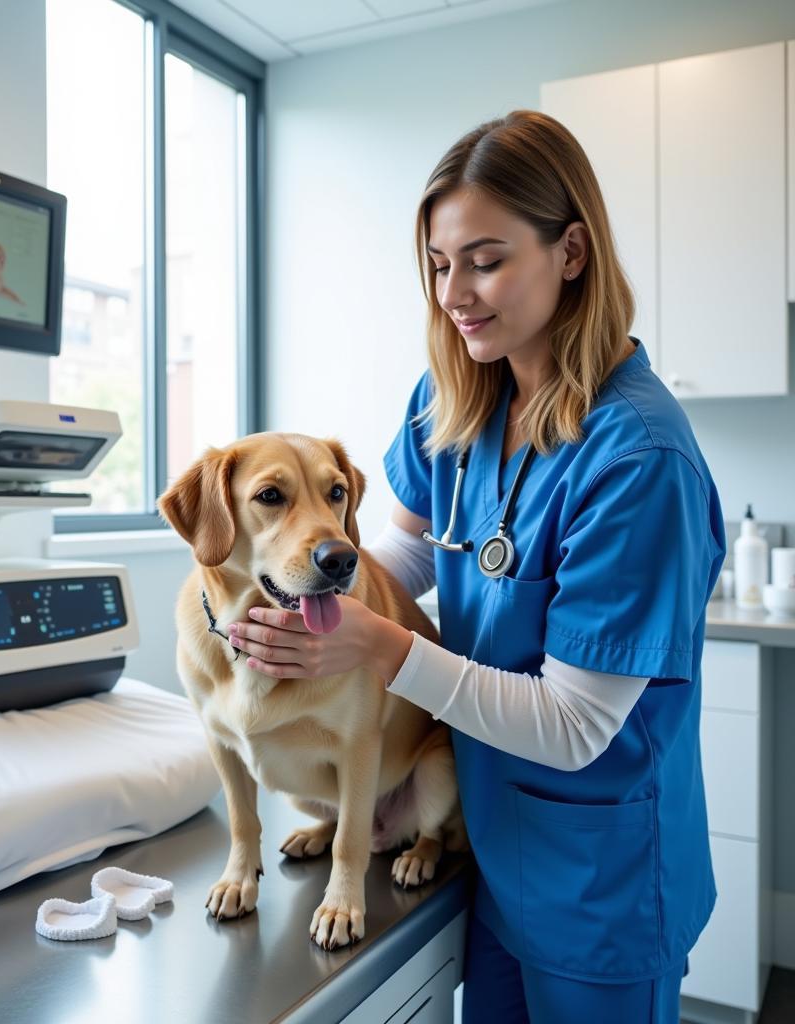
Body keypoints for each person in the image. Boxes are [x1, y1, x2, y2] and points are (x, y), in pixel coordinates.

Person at [226, 110, 725, 1023]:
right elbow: (416, 545)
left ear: (571, 251)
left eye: (485, 260)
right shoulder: (458, 391)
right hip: (488, 843)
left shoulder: (639, 458)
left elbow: (577, 725)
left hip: (597, 884)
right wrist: (316, 593)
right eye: (438, 264)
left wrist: (376, 647)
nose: (455, 293)